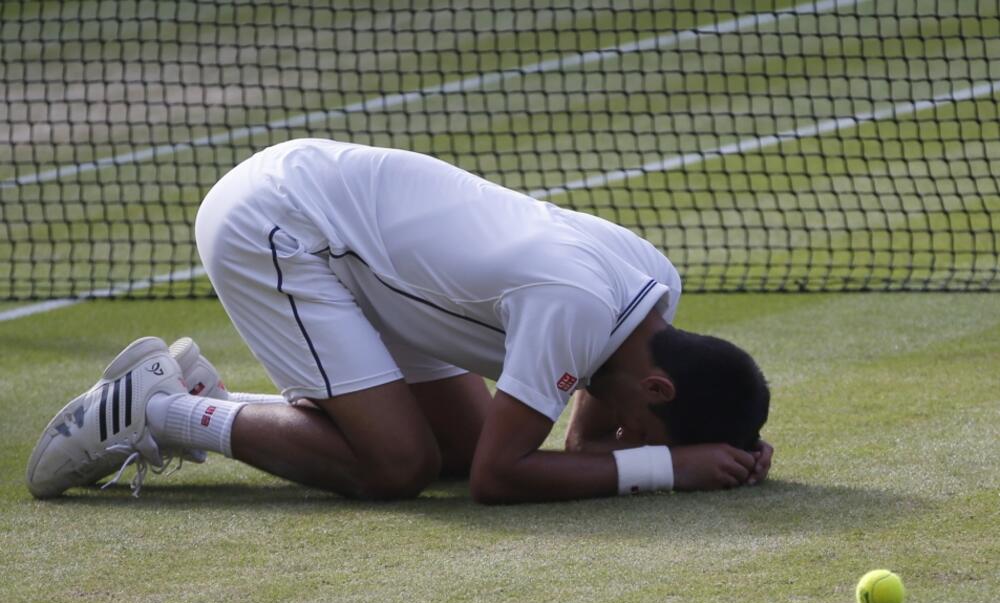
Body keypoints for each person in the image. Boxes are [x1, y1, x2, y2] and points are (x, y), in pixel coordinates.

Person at [26, 139, 772, 503]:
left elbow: (581, 442)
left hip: (356, 251)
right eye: (646, 429)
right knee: (399, 467)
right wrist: (668, 468)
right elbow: (498, 480)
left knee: (457, 443)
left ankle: (196, 392)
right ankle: (160, 409)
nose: (626, 435)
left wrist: (718, 447)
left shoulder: (650, 290)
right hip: (279, 226)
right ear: (660, 390)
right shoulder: (576, 306)